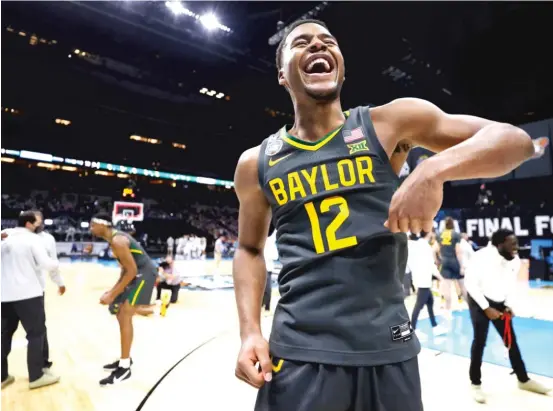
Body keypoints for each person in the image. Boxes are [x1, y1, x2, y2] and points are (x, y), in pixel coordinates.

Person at [232, 19, 534, 411]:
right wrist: (249, 331)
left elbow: (516, 141)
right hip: (300, 353)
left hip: (389, 350)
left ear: (342, 65)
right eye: (301, 43)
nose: (318, 47)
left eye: (328, 42)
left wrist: (432, 170)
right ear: (282, 75)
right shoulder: (256, 162)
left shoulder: (390, 123)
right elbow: (249, 249)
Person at [464, 229, 550, 403]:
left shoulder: (514, 260)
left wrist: (508, 305)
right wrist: (487, 308)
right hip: (479, 300)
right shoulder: (481, 257)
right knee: (479, 341)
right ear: (499, 244)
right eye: (512, 244)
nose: (516, 248)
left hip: (499, 302)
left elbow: (511, 284)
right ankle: (475, 383)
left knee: (511, 341)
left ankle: (523, 380)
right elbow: (470, 284)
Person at [89, 213, 157, 386]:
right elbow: (125, 270)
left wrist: (112, 294)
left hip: (145, 275)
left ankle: (125, 367)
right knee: (120, 313)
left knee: (126, 315)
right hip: (137, 274)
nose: (91, 228)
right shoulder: (113, 240)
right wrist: (114, 290)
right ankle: (124, 360)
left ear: (103, 225)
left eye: (92, 225)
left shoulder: (118, 241)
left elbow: (132, 271)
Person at [1, 211, 60, 389]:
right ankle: (36, 376)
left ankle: (2, 377)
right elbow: (47, 264)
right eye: (37, 222)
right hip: (28, 295)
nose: (39, 226)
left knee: (4, 335)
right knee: (36, 334)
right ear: (29, 224)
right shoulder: (32, 239)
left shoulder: (5, 237)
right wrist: (56, 264)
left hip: (4, 295)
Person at [407, 232, 447, 341]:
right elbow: (431, 265)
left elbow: (409, 264)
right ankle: (413, 331)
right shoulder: (424, 246)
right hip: (423, 279)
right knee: (419, 306)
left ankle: (435, 326)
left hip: (420, 278)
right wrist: (440, 277)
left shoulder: (414, 245)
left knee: (430, 301)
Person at [438, 217, 467, 315]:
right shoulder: (456, 235)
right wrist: (462, 266)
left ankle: (447, 309)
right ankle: (470, 305)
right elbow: (458, 251)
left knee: (447, 287)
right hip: (454, 261)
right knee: (462, 285)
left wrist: (438, 261)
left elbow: (436, 250)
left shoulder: (439, 235)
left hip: (444, 261)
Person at [262, 230, 278, 314]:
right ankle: (265, 306)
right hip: (265, 267)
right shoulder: (270, 242)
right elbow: (275, 256)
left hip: (266, 267)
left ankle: (265, 306)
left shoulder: (270, 242)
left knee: (265, 288)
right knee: (266, 288)